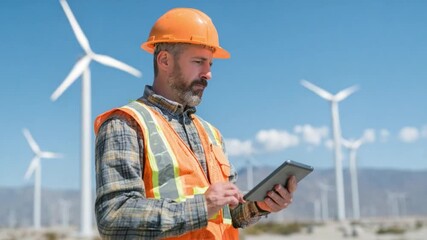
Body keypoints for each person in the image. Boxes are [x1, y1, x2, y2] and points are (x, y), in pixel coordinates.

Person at [94, 8, 297, 239]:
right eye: (199, 61)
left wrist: (261, 205)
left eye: (210, 64)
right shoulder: (126, 124)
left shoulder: (211, 134)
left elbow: (228, 214)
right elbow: (113, 217)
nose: (208, 73)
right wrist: (202, 206)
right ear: (164, 60)